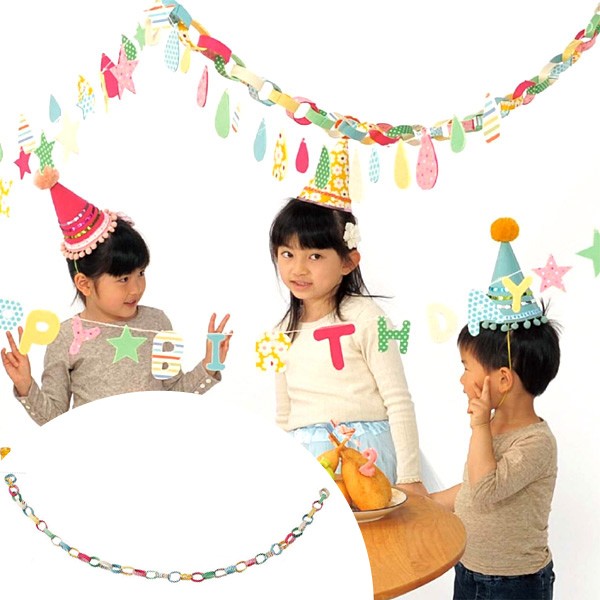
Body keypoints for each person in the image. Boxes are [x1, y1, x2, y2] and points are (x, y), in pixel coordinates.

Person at [268, 139, 439, 495]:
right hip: (310, 463)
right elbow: (284, 414)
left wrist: (410, 476)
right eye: (287, 254)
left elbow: (398, 400)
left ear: (348, 262)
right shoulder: (280, 333)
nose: (298, 268)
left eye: (315, 256)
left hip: (367, 457)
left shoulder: (367, 318)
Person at [1, 167, 230, 426]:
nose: (136, 288)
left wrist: (211, 364)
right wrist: (25, 385)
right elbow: (54, 421)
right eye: (123, 279)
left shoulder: (157, 323)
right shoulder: (64, 338)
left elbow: (175, 397)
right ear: (84, 284)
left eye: (140, 273)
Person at [431, 217, 560, 600]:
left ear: (503, 379)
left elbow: (486, 491)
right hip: (469, 569)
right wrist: (427, 503)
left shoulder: (536, 443)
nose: (462, 380)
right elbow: (474, 486)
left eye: (466, 367)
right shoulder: (493, 428)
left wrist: (478, 427)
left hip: (515, 584)